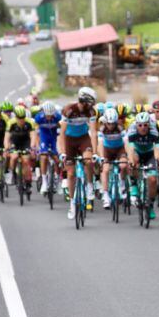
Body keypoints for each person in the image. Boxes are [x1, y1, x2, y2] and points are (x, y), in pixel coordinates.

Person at [59, 88, 98, 220]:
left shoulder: (91, 111)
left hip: (83, 139)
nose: (91, 105)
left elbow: (93, 132)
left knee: (88, 160)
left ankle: (90, 186)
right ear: (84, 100)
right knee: (70, 174)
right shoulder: (68, 109)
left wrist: (95, 152)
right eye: (90, 102)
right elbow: (62, 133)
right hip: (69, 140)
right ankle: (72, 203)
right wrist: (63, 152)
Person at [125, 111, 159, 218]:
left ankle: (150, 204)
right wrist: (131, 161)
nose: (143, 127)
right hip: (137, 152)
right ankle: (133, 185)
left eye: (145, 125)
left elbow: (158, 149)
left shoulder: (154, 131)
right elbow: (130, 149)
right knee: (134, 161)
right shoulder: (132, 131)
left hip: (150, 153)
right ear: (136, 124)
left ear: (149, 125)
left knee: (153, 179)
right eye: (140, 125)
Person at [98, 108, 128, 209]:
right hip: (107, 150)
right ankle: (105, 195)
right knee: (105, 170)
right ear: (105, 122)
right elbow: (100, 144)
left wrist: (128, 154)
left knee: (123, 165)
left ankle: (122, 184)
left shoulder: (120, 127)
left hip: (119, 149)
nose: (111, 126)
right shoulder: (102, 128)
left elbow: (126, 142)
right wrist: (102, 157)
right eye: (109, 123)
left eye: (113, 123)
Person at [5, 106, 38, 192]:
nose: (21, 120)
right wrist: (7, 148)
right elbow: (7, 138)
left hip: (25, 142)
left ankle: (27, 182)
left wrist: (32, 148)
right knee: (14, 157)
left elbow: (33, 136)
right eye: (19, 118)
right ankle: (13, 173)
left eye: (23, 117)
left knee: (26, 160)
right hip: (14, 142)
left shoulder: (29, 122)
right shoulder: (11, 123)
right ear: (15, 117)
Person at [35, 102, 61, 194]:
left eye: (51, 115)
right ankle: (44, 182)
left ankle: (57, 180)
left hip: (54, 138)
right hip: (44, 138)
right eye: (47, 115)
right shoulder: (39, 118)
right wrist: (37, 144)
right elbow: (35, 131)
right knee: (44, 156)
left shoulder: (57, 116)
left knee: (58, 161)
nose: (49, 117)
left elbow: (61, 126)